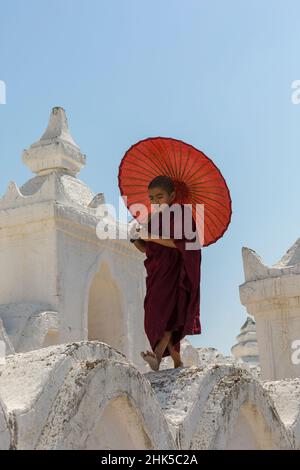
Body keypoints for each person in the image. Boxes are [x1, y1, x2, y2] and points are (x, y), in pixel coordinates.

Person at [130, 175, 202, 371]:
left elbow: (183, 244)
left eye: (160, 196)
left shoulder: (181, 214)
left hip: (175, 272)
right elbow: (148, 250)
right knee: (154, 315)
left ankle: (159, 355)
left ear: (172, 195)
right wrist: (135, 238)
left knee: (169, 314)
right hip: (156, 272)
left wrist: (150, 236)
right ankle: (174, 360)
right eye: (151, 198)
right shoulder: (151, 218)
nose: (155, 201)